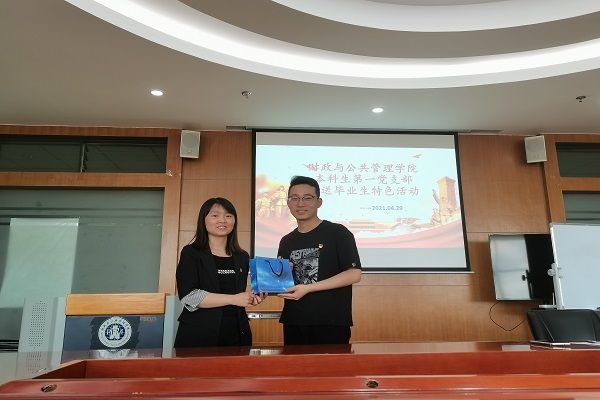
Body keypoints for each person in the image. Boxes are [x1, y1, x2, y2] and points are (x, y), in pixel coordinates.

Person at [277, 176, 362, 345]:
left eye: (307, 198)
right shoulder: (286, 241)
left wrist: (308, 288)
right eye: (294, 198)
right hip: (294, 321)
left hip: (330, 322)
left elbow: (354, 274)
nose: (300, 203)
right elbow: (283, 281)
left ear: (319, 202)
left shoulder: (338, 232)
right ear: (288, 203)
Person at [175, 197, 265, 347]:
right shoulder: (191, 253)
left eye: (228, 216)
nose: (223, 220)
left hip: (238, 333)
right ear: (203, 220)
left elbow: (240, 295)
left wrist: (252, 298)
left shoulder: (242, 256)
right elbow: (189, 297)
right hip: (199, 334)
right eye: (215, 215)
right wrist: (234, 299)